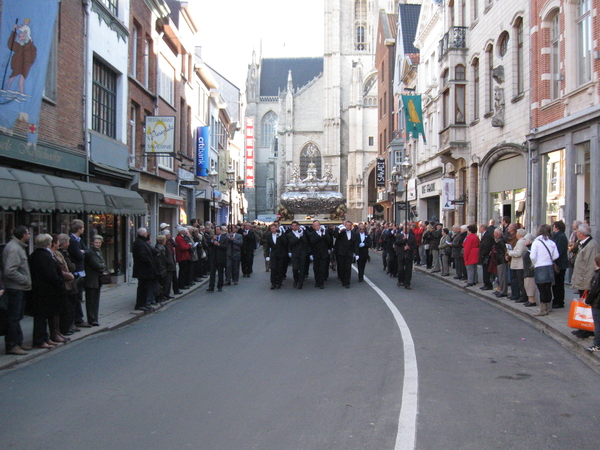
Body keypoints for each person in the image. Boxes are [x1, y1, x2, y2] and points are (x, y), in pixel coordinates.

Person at [27, 234, 66, 349]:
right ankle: (40, 340)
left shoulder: (34, 255)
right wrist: (60, 282)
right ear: (48, 244)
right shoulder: (44, 256)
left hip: (40, 290)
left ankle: (45, 338)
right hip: (45, 291)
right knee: (41, 317)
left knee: (43, 315)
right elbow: (51, 274)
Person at [2, 225, 32, 355]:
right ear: (23, 235)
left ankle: (18, 342)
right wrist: (24, 280)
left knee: (18, 316)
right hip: (15, 287)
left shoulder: (17, 246)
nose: (29, 235)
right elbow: (10, 271)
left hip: (18, 287)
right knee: (13, 317)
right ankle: (12, 344)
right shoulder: (14, 248)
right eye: (28, 233)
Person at [570, 224, 600, 338]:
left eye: (577, 232)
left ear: (581, 234)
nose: (576, 234)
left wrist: (587, 282)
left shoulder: (591, 246)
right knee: (583, 304)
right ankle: (582, 327)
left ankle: (587, 329)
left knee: (587, 304)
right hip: (582, 278)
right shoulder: (584, 244)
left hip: (585, 279)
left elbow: (590, 266)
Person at [530, 224, 559, 316]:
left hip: (540, 266)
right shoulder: (551, 242)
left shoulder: (536, 242)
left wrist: (535, 262)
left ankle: (542, 309)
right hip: (549, 266)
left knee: (541, 288)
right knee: (548, 288)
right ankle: (548, 306)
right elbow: (556, 255)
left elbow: (533, 256)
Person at [50, 235, 72, 343]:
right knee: (56, 310)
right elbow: (56, 269)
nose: (59, 243)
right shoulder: (51, 255)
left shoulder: (58, 253)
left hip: (64, 282)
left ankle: (58, 331)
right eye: (57, 241)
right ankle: (55, 332)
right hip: (58, 284)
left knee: (62, 309)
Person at [68, 219, 89, 328]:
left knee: (79, 297)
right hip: (76, 272)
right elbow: (79, 256)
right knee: (76, 297)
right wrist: (83, 252)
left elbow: (87, 251)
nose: (84, 229)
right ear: (79, 229)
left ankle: (78, 318)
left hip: (81, 272)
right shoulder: (72, 240)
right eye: (83, 227)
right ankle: (76, 319)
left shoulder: (79, 240)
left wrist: (83, 251)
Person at [132, 227, 158, 311]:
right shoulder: (139, 243)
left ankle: (143, 303)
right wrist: (150, 263)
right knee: (142, 287)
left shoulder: (142, 242)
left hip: (145, 269)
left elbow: (151, 251)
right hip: (142, 269)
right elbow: (143, 256)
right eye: (146, 233)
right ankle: (140, 304)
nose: (147, 234)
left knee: (145, 287)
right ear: (143, 234)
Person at [83, 235, 107, 326]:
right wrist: (102, 266)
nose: (98, 244)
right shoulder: (90, 252)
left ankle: (95, 318)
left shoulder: (99, 252)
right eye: (96, 242)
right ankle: (91, 319)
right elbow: (97, 265)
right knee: (90, 300)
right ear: (92, 243)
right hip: (91, 279)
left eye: (99, 243)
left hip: (98, 279)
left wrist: (102, 265)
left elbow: (104, 263)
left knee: (96, 300)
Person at [334, 220, 359, 288]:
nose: (348, 227)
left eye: (349, 225)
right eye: (347, 225)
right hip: (341, 253)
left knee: (348, 268)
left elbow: (355, 244)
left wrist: (356, 254)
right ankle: (342, 279)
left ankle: (347, 282)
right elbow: (336, 235)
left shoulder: (354, 234)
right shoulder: (341, 233)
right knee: (342, 268)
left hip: (349, 253)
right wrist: (340, 231)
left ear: (351, 226)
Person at [308, 220, 332, 288]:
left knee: (322, 268)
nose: (317, 227)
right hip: (316, 253)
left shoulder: (324, 232)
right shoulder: (312, 234)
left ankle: (321, 283)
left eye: (318, 225)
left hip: (324, 253)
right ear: (313, 227)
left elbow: (329, 240)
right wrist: (320, 236)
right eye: (315, 226)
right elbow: (312, 242)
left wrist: (324, 234)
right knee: (316, 268)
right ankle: (317, 281)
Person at [507, 229, 528, 304]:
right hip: (518, 264)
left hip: (519, 264)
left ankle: (522, 296)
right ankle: (517, 295)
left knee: (520, 281)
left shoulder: (521, 242)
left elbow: (519, 253)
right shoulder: (521, 241)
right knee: (517, 280)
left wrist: (510, 252)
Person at [550, 220, 569, 308]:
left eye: (554, 226)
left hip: (560, 264)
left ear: (557, 228)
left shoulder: (561, 237)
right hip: (557, 263)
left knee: (559, 284)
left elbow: (558, 251)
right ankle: (556, 300)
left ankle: (559, 301)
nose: (552, 228)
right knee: (556, 284)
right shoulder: (556, 236)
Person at [584, 255, 600, 352]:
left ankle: (597, 345)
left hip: (597, 303)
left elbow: (594, 290)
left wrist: (588, 301)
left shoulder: (597, 275)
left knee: (598, 325)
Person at [286, 221, 309, 289]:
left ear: (298, 226)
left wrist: (302, 236)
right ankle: (296, 280)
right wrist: (298, 237)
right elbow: (292, 242)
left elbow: (306, 243)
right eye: (293, 226)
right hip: (294, 253)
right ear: (291, 227)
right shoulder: (289, 234)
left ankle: (300, 283)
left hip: (302, 253)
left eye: (296, 226)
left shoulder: (302, 233)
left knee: (302, 269)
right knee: (295, 269)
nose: (294, 227)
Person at [265, 223, 288, 289]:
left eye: (274, 228)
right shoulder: (269, 236)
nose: (272, 230)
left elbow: (285, 242)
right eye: (271, 229)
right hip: (273, 255)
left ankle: (279, 283)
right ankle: (273, 283)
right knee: (273, 269)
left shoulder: (280, 234)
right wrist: (267, 255)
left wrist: (280, 235)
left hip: (281, 254)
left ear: (276, 228)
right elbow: (267, 246)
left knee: (280, 269)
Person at [206, 226, 229, 292]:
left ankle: (220, 286)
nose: (217, 231)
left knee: (220, 273)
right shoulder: (213, 237)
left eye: (218, 230)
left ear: (221, 231)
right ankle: (211, 286)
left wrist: (218, 244)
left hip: (220, 258)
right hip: (213, 257)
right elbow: (209, 245)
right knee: (212, 273)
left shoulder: (225, 238)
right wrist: (212, 240)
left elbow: (226, 247)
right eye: (216, 230)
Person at [395, 224, 417, 289]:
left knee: (408, 270)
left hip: (409, 255)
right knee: (401, 269)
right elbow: (397, 243)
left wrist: (409, 247)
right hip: (401, 254)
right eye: (405, 229)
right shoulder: (399, 235)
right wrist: (402, 239)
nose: (406, 230)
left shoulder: (412, 237)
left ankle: (407, 283)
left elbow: (415, 245)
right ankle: (400, 280)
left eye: (408, 229)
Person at [490, 228, 508, 298]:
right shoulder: (499, 240)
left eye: (494, 233)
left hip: (501, 261)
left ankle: (503, 291)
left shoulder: (501, 241)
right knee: (500, 277)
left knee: (502, 277)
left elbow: (504, 251)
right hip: (499, 261)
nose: (493, 235)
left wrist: (496, 253)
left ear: (497, 234)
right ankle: (501, 290)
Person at [478, 223, 495, 290]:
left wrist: (483, 254)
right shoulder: (484, 235)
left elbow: (487, 246)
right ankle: (486, 284)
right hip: (484, 256)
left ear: (483, 228)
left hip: (486, 257)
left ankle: (488, 284)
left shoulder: (487, 235)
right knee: (485, 271)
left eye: (480, 228)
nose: (479, 229)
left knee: (486, 271)